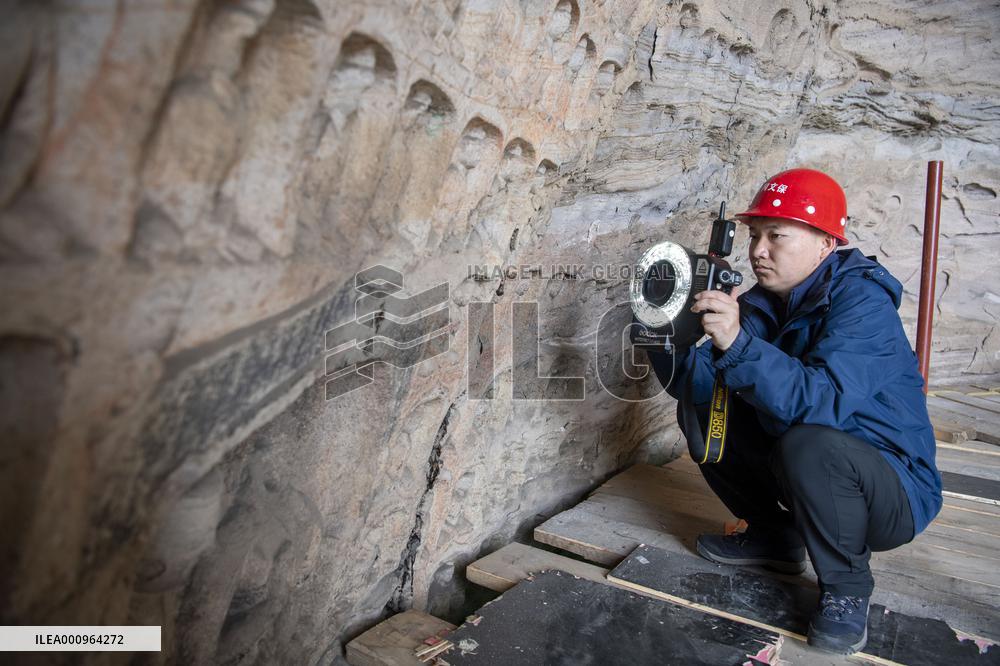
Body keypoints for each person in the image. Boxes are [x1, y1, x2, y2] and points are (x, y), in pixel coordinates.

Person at [644, 168, 942, 655]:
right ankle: (775, 536)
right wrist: (668, 335)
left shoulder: (863, 304)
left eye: (777, 236)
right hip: (812, 466)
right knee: (706, 411)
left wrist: (737, 342)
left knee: (812, 441)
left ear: (826, 243)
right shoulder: (763, 303)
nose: (758, 250)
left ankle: (847, 588)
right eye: (755, 235)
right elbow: (698, 388)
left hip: (892, 490)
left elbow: (822, 402)